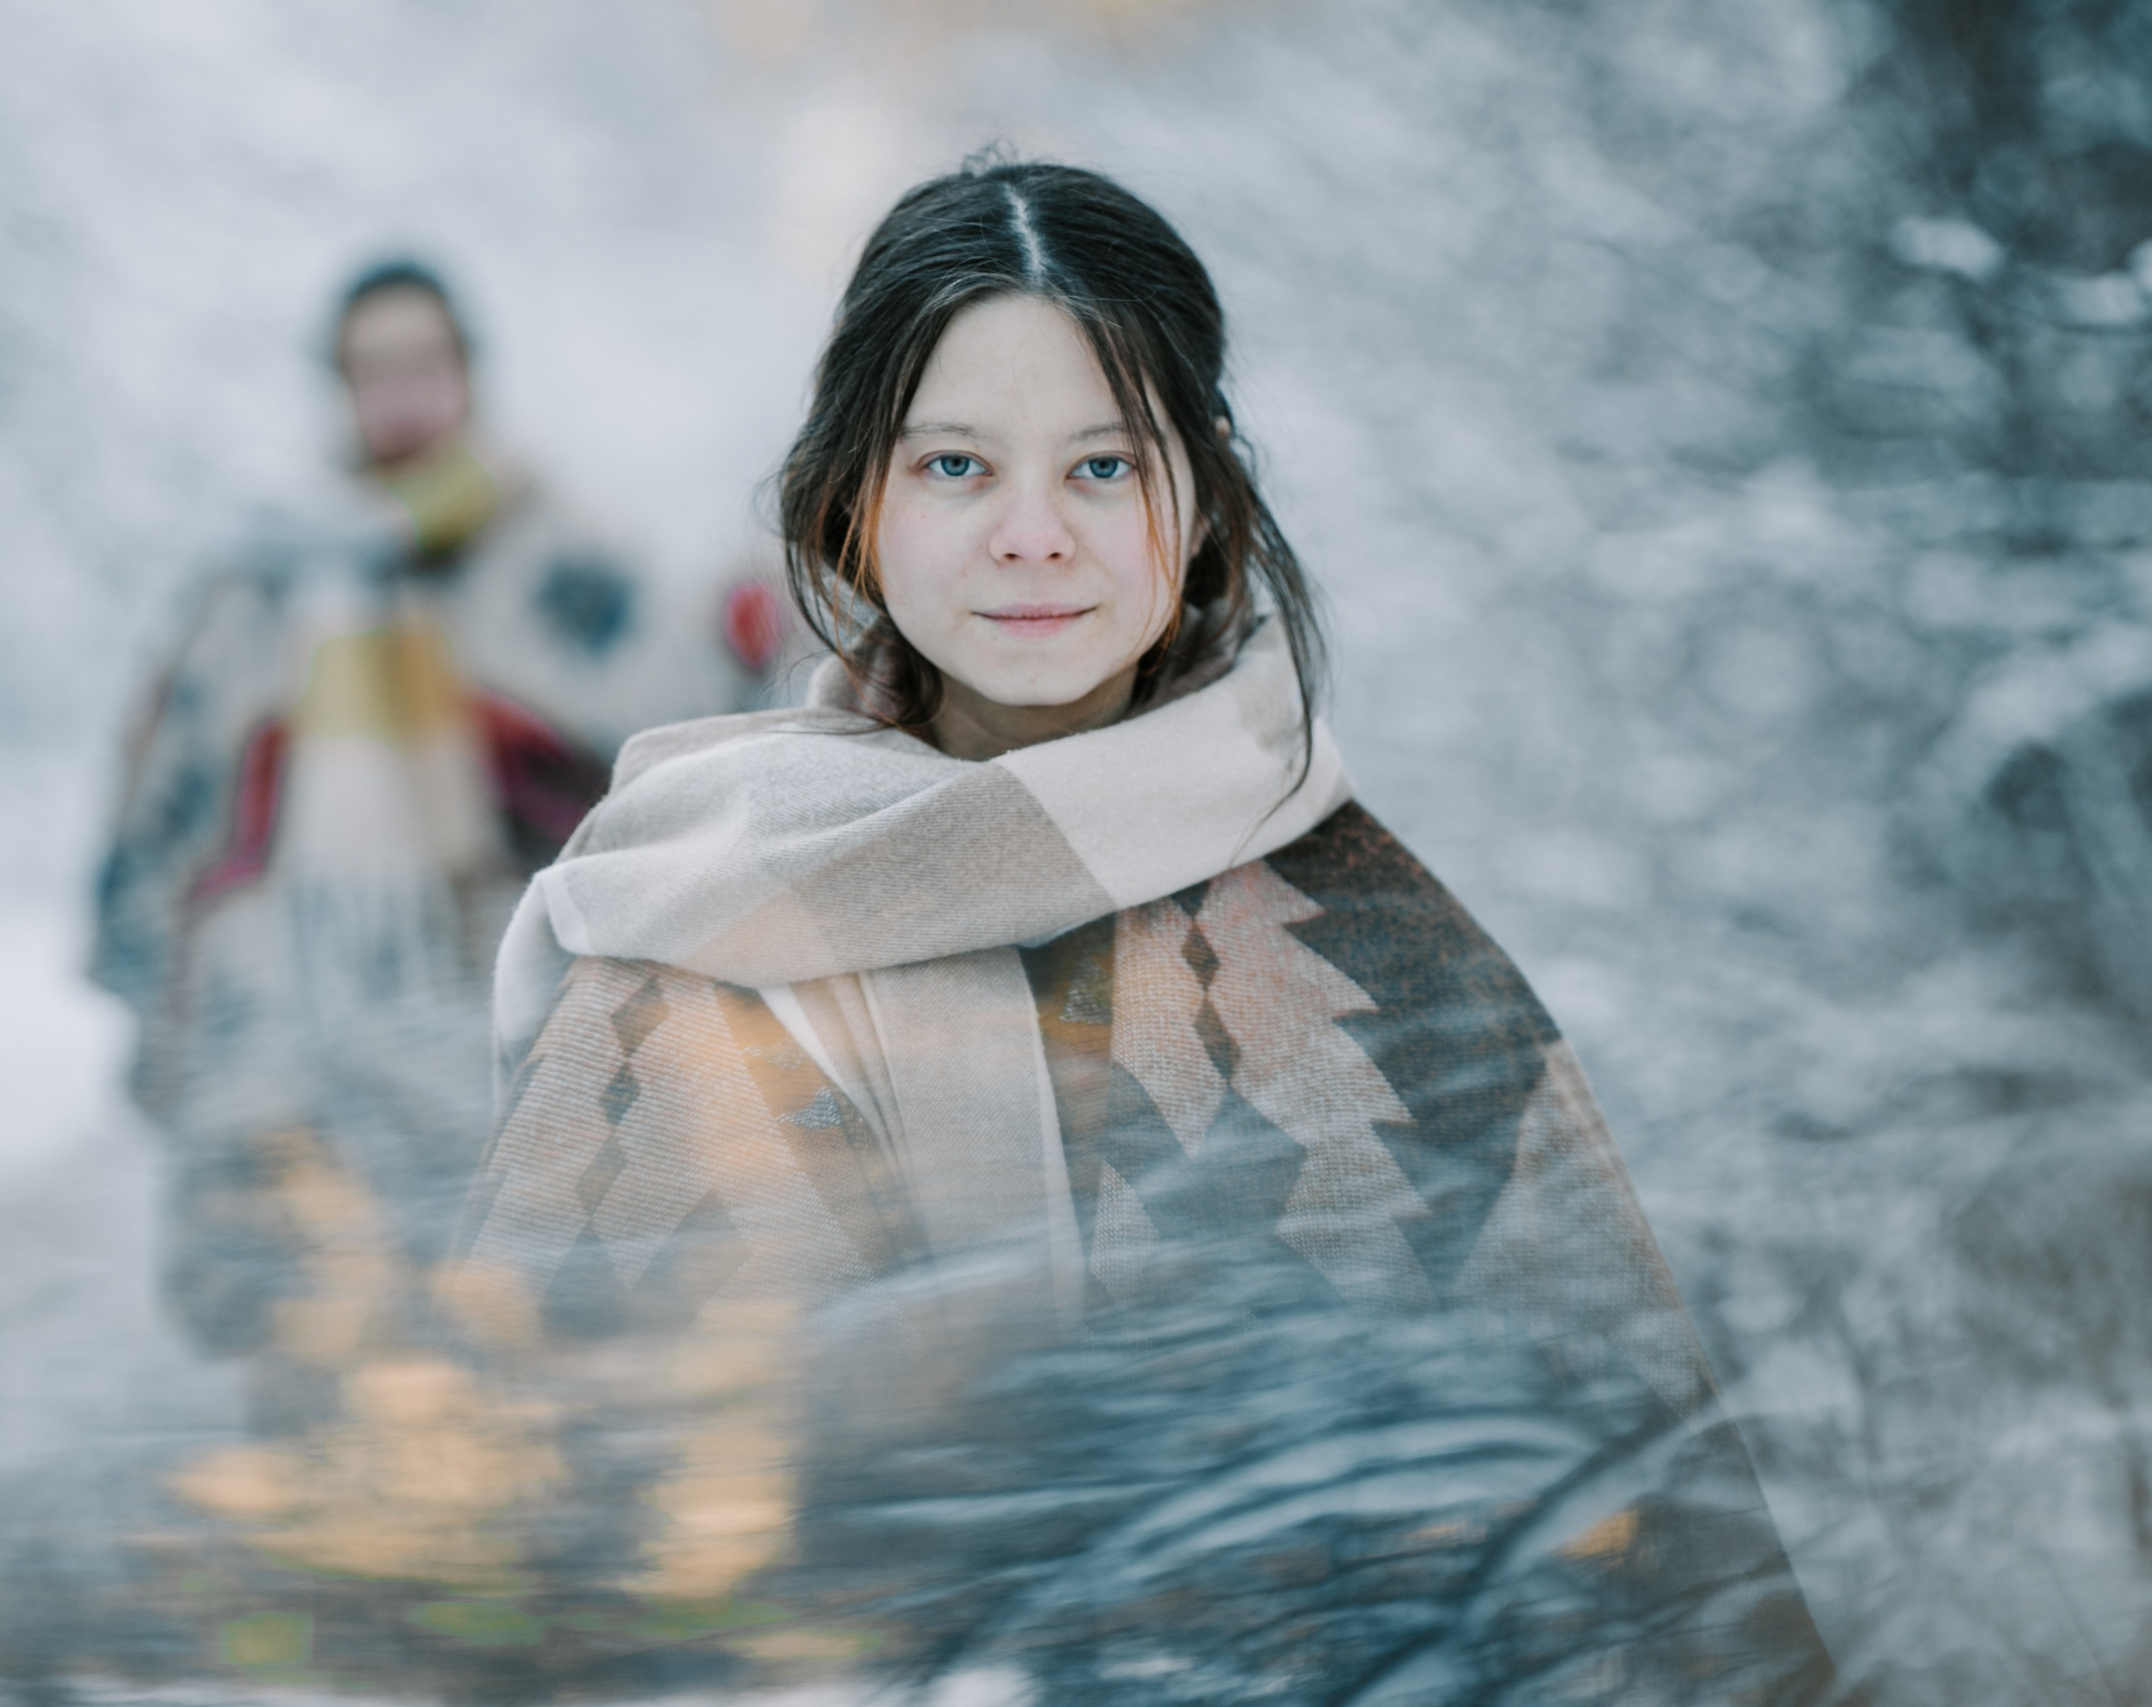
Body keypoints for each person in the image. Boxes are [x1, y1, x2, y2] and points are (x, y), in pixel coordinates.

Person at [196, 168, 1834, 1700]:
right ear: (854, 505)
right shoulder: (682, 927)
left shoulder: (1381, 946)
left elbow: (1666, 1556)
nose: (1033, 531)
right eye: (956, 465)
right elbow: (527, 1541)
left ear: (1203, 497)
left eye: (1103, 464)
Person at [91, 259, 780, 1432]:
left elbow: (670, 711)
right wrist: (157, 951)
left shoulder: (555, 552)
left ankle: (552, 1447)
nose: (400, 395)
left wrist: (746, 630)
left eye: (422, 366)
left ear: (465, 377)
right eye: (374, 371)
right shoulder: (262, 583)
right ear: (340, 389)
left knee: (544, 1322)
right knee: (312, 1331)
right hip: (295, 998)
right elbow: (172, 779)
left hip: (501, 962)